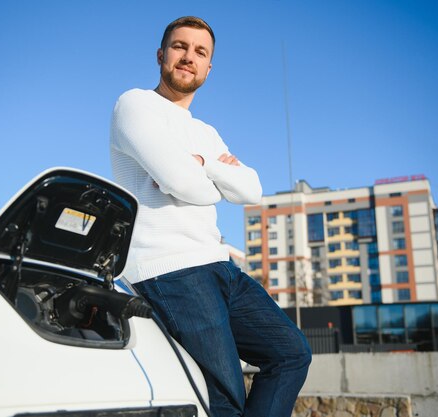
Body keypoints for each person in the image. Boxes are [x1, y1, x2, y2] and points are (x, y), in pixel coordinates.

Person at [110, 16, 311, 417]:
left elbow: (251, 189)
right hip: (170, 269)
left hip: (219, 266)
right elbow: (184, 184)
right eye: (180, 46)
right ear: (161, 54)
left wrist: (204, 163)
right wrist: (215, 179)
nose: (189, 57)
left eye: (200, 52)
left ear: (208, 68)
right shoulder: (135, 104)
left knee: (291, 354)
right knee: (225, 399)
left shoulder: (206, 131)